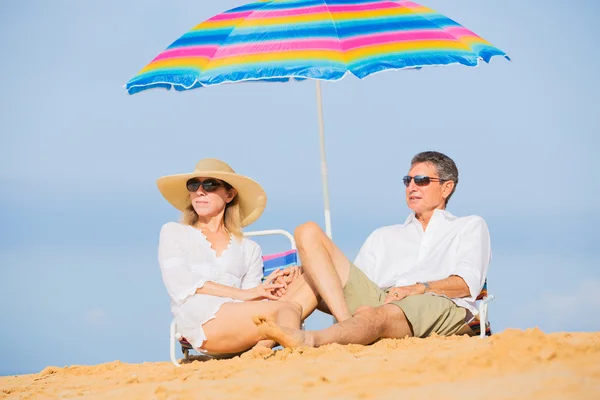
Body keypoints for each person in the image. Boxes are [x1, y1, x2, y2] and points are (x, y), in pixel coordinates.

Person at [253, 151, 492, 348]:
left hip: (437, 302)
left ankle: (309, 340)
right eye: (407, 181)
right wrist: (310, 271)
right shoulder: (384, 235)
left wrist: (418, 288)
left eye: (421, 181)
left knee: (376, 314)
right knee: (307, 232)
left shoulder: (468, 226)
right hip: (381, 301)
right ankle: (264, 343)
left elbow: (466, 285)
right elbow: (348, 288)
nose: (412, 187)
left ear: (446, 188)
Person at [157, 158, 303, 355]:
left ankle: (264, 347)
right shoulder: (174, 232)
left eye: (210, 185)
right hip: (202, 320)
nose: (200, 191)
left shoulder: (249, 248)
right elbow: (180, 283)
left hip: (241, 323)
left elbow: (251, 299)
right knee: (287, 309)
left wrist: (269, 287)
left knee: (305, 280)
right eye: (193, 185)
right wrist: (244, 294)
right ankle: (293, 357)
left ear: (230, 195)